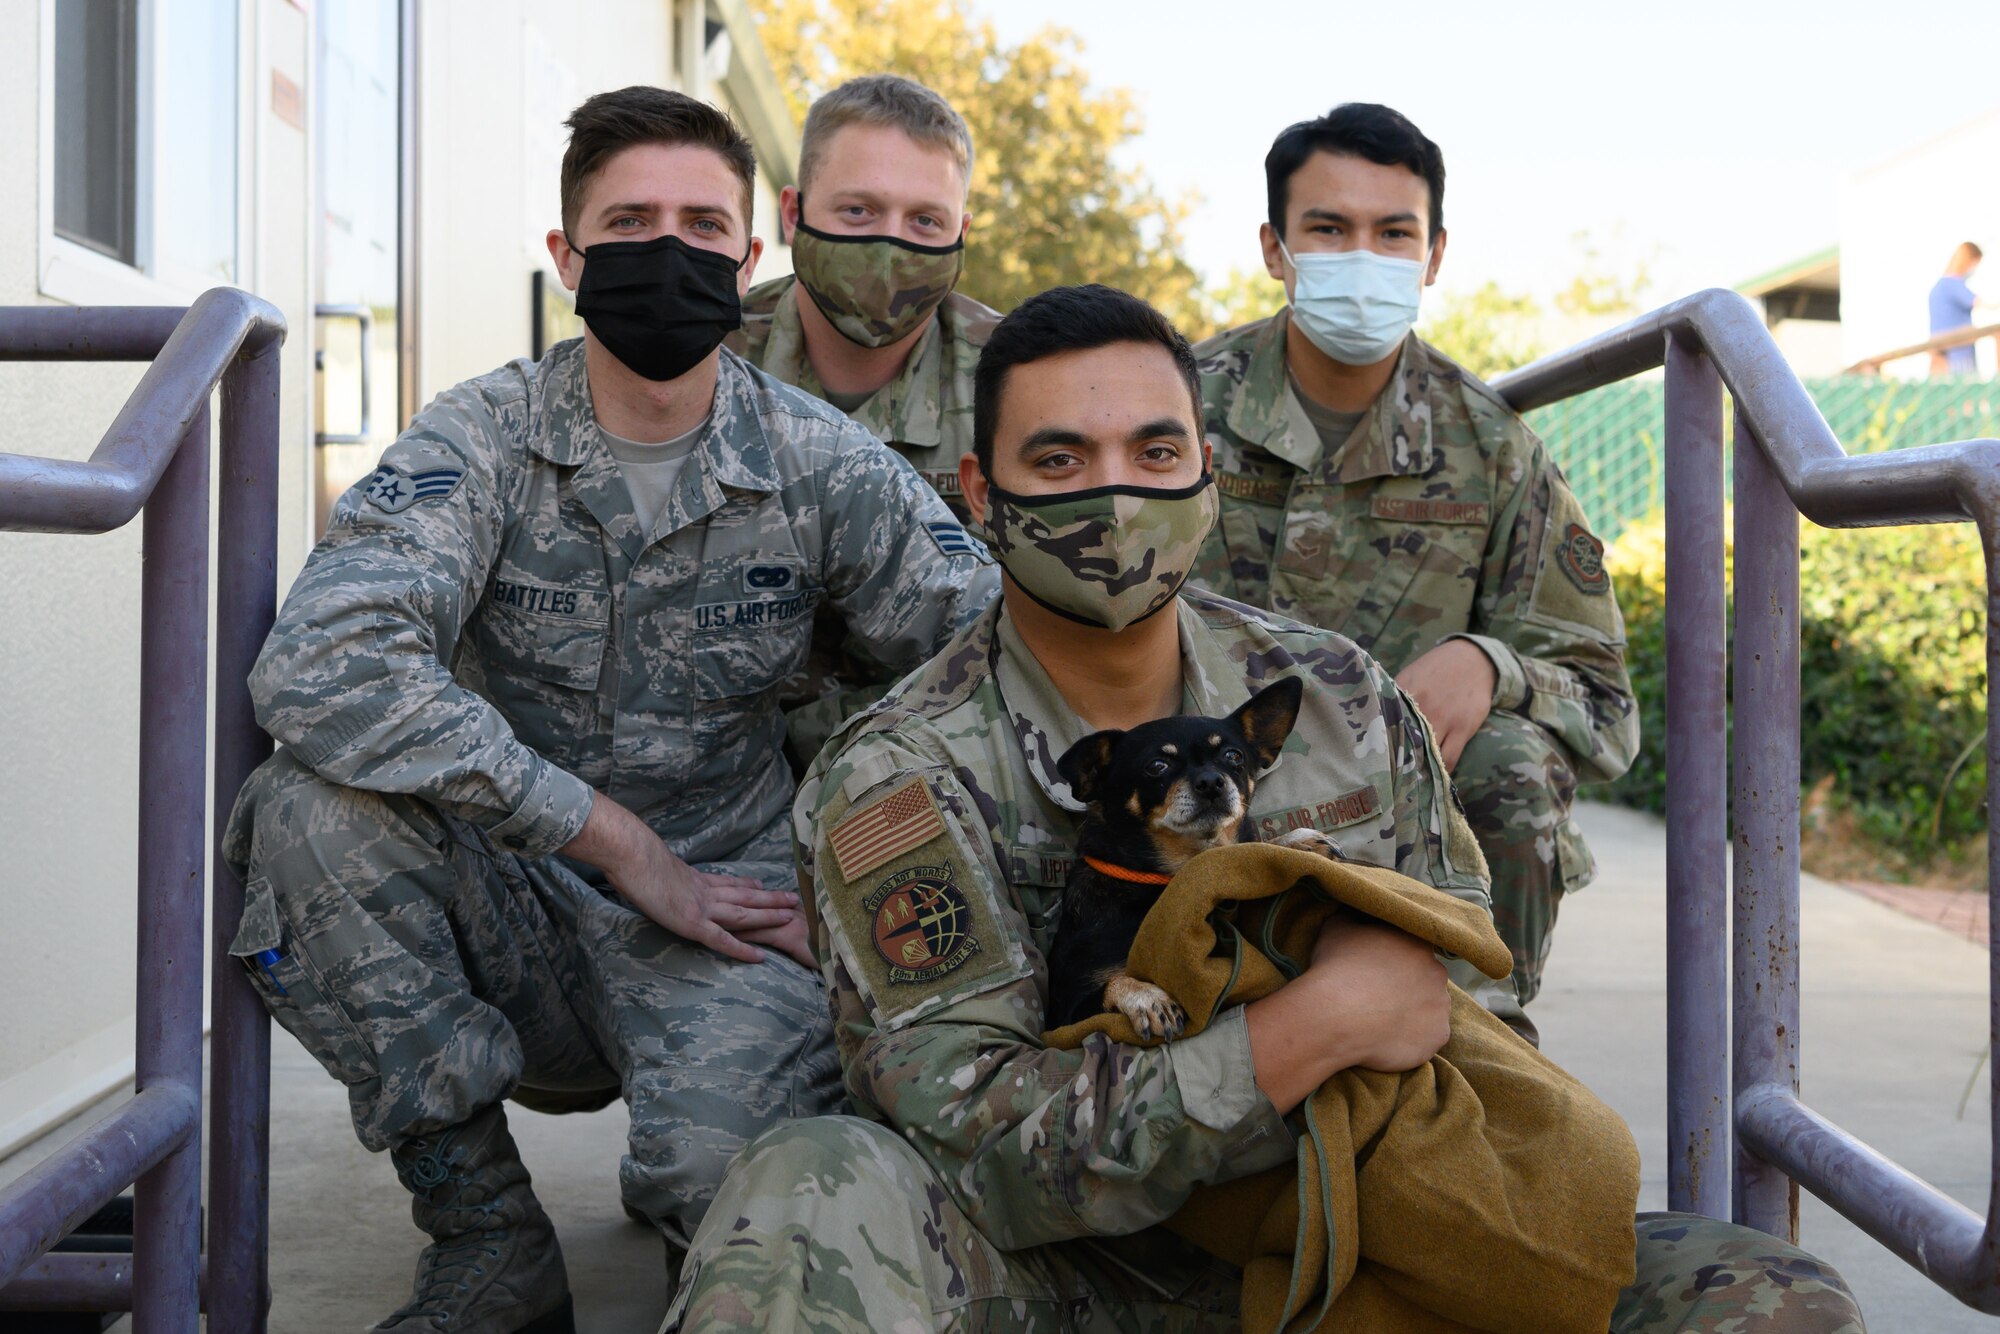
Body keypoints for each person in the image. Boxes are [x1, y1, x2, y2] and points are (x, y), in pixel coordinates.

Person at [661, 284, 1866, 1332]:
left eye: (1153, 451)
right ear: (981, 489)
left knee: (1762, 1292)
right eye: (1059, 461)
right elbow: (983, 1148)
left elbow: (1468, 1003)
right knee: (805, 1187)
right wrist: (1300, 1031)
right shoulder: (897, 776)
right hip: (1058, 1279)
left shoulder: (1337, 695)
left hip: (1353, 1238)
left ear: (1205, 476)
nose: (1115, 496)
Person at [221, 86, 994, 1334]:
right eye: (628, 221)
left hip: (726, 912)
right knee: (305, 811)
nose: (667, 249)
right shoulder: (482, 437)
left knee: (719, 1185)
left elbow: (996, 658)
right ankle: (483, 1235)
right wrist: (611, 840)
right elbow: (322, 665)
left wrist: (859, 883)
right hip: (515, 891)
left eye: (702, 225)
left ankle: (690, 1169)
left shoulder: (820, 464)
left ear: (749, 261)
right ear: (567, 255)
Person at [1187, 104, 1636, 1024]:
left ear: (1433, 257)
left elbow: (1606, 708)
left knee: (1516, 763)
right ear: (1276, 249)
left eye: (1394, 232)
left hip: (1406, 834)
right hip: (1195, 798)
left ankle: (1478, 1056)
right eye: (1329, 228)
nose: (1365, 256)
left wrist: (1491, 665)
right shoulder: (1175, 412)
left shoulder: (1491, 447)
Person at [730, 73, 998, 517]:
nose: (889, 249)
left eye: (925, 220)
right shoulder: (707, 354)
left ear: (961, 235)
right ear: (793, 215)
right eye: (858, 211)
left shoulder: (1015, 379)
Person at [1928, 241, 1990, 377]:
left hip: (1941, 357)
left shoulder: (1938, 287)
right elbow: (1982, 303)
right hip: (1958, 357)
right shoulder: (1952, 284)